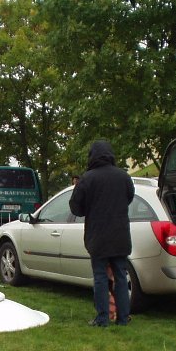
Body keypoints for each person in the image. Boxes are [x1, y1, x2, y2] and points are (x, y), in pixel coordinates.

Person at [69, 140, 134, 327]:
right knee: (120, 276)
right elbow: (129, 197)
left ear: (92, 156)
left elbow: (75, 207)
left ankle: (103, 318)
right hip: (120, 234)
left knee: (100, 276)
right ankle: (123, 318)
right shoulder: (123, 176)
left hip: (98, 236)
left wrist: (89, 208)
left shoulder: (87, 178)